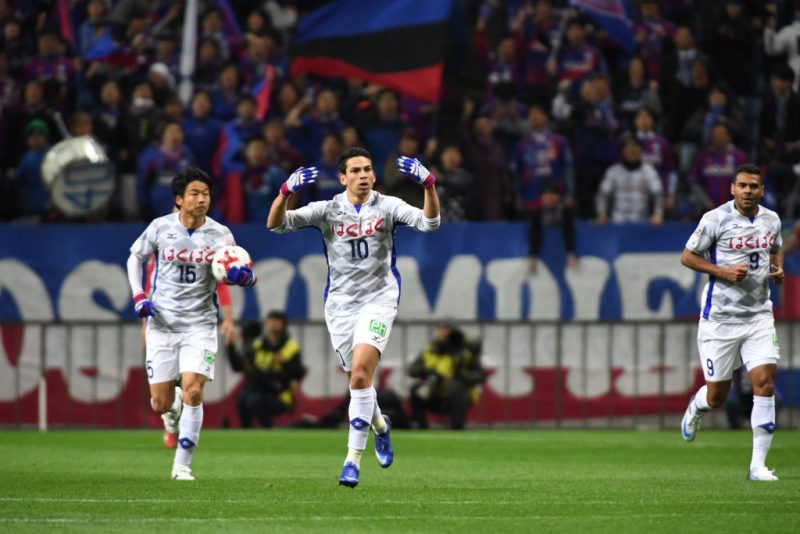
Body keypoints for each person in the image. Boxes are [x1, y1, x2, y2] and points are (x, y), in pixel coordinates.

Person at [267, 147, 441, 488]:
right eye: (356, 171)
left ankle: (352, 461)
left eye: (368, 169)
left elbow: (430, 223)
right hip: (340, 306)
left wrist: (429, 185)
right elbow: (276, 224)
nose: (363, 175)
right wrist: (285, 192)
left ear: (374, 175)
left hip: (379, 300)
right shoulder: (327, 210)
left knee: (360, 374)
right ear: (343, 178)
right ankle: (381, 426)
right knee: (358, 381)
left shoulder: (388, 206)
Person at [126, 167, 257, 480]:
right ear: (179, 199)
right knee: (160, 403)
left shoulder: (221, 234)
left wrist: (247, 278)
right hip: (162, 324)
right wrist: (139, 295)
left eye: (206, 194)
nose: (202, 199)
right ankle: (171, 411)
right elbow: (135, 258)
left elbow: (234, 273)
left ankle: (181, 466)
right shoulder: (160, 227)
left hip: (200, 325)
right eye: (195, 194)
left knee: (194, 391)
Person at [679, 164, 783, 482]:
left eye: (754, 186)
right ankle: (697, 406)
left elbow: (775, 249)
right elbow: (687, 256)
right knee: (717, 397)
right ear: (732, 189)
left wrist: (777, 268)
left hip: (758, 316)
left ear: (761, 190)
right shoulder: (715, 218)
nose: (748, 191)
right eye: (742, 185)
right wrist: (723, 272)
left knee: (764, 383)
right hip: (720, 319)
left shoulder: (772, 219)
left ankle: (757, 466)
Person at [226, 310, 305, 428]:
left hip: (280, 395)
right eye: (270, 320)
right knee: (241, 399)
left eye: (277, 321)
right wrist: (230, 347)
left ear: (283, 324)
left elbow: (299, 373)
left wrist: (284, 364)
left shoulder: (291, 347)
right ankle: (246, 432)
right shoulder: (257, 346)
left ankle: (268, 427)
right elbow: (238, 367)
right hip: (257, 391)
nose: (273, 323)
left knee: (254, 400)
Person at [408, 323, 486, 430]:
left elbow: (480, 376)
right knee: (416, 389)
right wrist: (428, 372)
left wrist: (461, 374)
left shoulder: (466, 349)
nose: (443, 333)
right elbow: (412, 370)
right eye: (440, 329)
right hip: (434, 393)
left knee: (456, 387)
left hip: (459, 396)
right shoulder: (430, 348)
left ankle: (457, 427)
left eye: (447, 330)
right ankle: (421, 427)